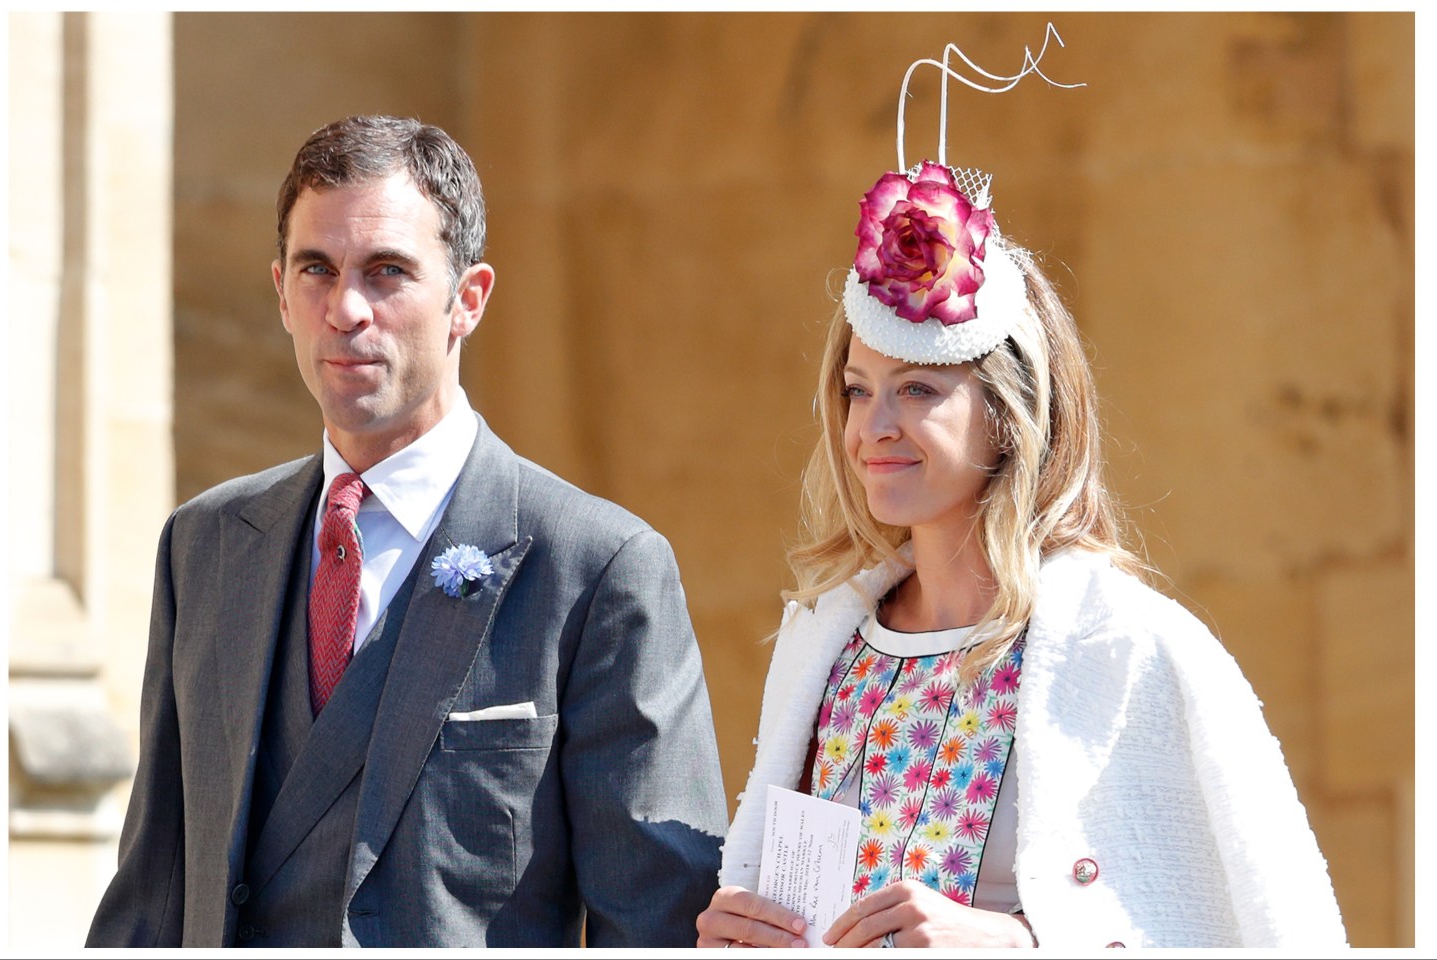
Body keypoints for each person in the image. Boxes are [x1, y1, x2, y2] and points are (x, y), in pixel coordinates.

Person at [696, 45, 1346, 950]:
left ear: (1009, 417)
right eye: (856, 389)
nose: (872, 425)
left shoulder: (1131, 652)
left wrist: (1019, 943)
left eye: (920, 389)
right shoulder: (824, 639)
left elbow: (1261, 931)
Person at [86, 115, 726, 948]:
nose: (346, 308)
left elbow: (655, 927)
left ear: (469, 300)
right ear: (281, 292)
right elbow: (152, 897)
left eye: (387, 271)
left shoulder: (600, 568)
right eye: (317, 269)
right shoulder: (203, 546)